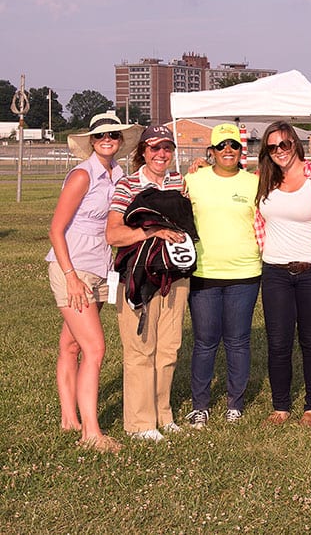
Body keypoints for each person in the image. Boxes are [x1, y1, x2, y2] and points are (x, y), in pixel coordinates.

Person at [46, 113, 141, 453]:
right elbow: (55, 229)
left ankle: (69, 419)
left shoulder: (119, 175)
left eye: (113, 135)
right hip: (74, 268)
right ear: (91, 141)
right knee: (95, 348)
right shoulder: (82, 175)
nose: (107, 140)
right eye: (101, 135)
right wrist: (71, 277)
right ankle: (91, 433)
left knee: (72, 346)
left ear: (119, 141)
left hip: (101, 267)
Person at [106, 124, 191, 442]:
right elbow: (113, 234)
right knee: (141, 349)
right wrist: (151, 231)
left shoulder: (179, 182)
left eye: (166, 148)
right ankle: (140, 423)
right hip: (138, 277)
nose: (161, 154)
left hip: (174, 275)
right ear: (142, 152)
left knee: (169, 347)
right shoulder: (128, 185)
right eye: (154, 148)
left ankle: (162, 415)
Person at [254, 121, 311, 428]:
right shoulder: (263, 179)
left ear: (296, 144)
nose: (279, 152)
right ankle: (280, 407)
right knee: (278, 342)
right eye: (272, 147)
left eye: (284, 145)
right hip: (275, 271)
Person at [184, 124, 261, 428]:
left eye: (233, 145)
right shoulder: (193, 179)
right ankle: (200, 405)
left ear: (242, 150)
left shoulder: (254, 183)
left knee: (238, 341)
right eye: (221, 146)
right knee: (205, 342)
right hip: (203, 272)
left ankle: (235, 404)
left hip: (245, 272)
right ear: (211, 151)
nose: (227, 150)